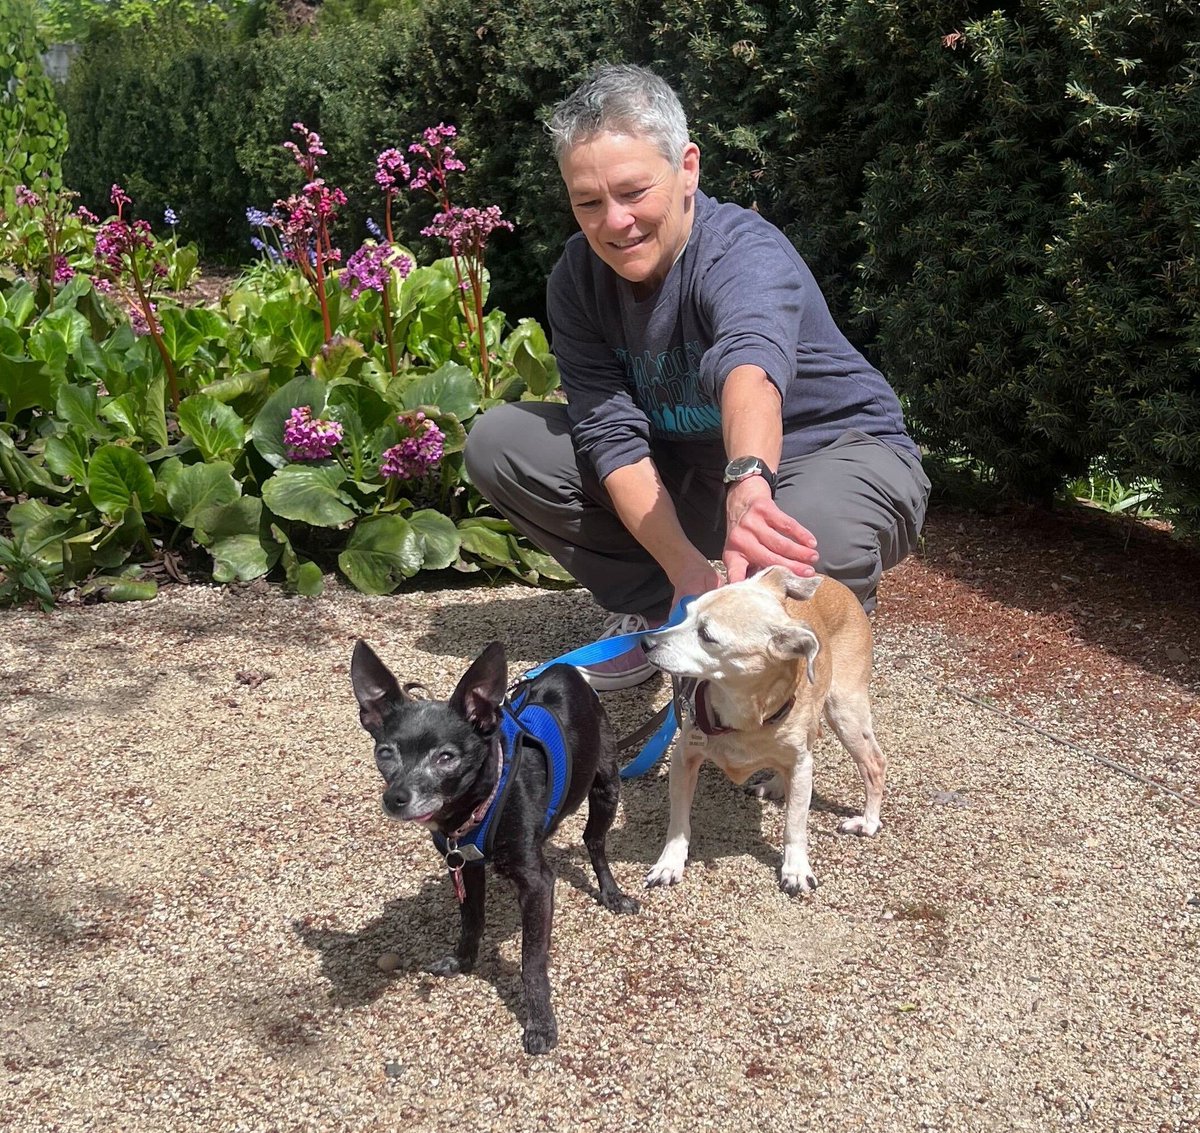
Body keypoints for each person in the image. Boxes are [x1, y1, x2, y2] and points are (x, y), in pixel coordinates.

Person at [464, 62, 930, 691]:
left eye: (633, 193)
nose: (614, 222)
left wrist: (749, 484)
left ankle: (794, 687)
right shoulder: (576, 280)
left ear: (688, 168)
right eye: (589, 202)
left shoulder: (742, 251)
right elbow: (609, 433)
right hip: (697, 475)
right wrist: (685, 568)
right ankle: (669, 615)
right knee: (502, 442)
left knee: (805, 535)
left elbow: (750, 364)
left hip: (836, 454)